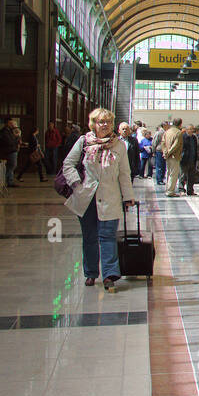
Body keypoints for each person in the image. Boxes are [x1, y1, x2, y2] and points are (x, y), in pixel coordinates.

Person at [63, 107, 136, 293]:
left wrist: (128, 197)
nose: (105, 125)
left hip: (110, 197)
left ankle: (110, 274)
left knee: (108, 236)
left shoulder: (119, 145)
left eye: (108, 122)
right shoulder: (83, 142)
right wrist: (77, 184)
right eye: (101, 122)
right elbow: (68, 164)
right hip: (86, 198)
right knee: (89, 238)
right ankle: (90, 272)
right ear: (93, 124)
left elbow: (124, 173)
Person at [163, 117, 184, 196]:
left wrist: (165, 152)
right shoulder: (178, 132)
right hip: (174, 156)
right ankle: (170, 191)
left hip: (167, 156)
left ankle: (167, 189)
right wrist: (169, 152)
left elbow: (163, 142)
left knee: (168, 172)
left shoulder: (167, 131)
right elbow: (176, 145)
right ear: (180, 124)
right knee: (173, 174)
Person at [0, 118, 21, 187]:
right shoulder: (5, 131)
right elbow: (9, 141)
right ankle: (6, 180)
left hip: (12, 150)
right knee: (11, 166)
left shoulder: (11, 131)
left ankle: (9, 181)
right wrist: (17, 137)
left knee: (12, 166)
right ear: (7, 123)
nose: (13, 125)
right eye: (11, 123)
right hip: (9, 151)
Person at [181, 124, 199, 196]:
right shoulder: (183, 137)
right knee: (183, 175)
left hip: (192, 159)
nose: (191, 130)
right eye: (190, 129)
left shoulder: (194, 137)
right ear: (186, 130)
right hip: (185, 159)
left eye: (192, 129)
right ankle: (181, 189)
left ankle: (190, 190)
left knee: (191, 176)